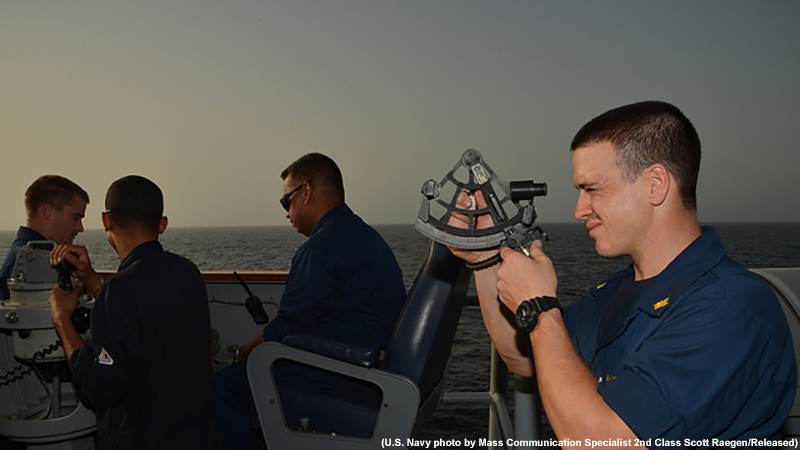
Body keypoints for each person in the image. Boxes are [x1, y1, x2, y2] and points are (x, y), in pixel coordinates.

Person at [449, 101, 795, 446]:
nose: (579, 210)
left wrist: (540, 309)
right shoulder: (617, 291)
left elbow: (606, 441)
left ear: (655, 184)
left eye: (592, 189)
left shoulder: (731, 309)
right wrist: (484, 258)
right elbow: (526, 359)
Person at [212, 153, 407, 449]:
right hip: (370, 364)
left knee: (219, 389)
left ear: (306, 191)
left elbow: (282, 331)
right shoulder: (364, 236)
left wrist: (240, 354)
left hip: (340, 371)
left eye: (286, 202)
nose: (286, 214)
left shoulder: (320, 249)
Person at [48, 175, 220, 450]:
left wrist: (61, 319)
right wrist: (91, 279)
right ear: (162, 224)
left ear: (106, 221)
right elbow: (143, 311)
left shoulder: (121, 290)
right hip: (196, 437)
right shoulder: (187, 272)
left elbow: (97, 388)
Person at [1, 175, 89, 300]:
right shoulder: (38, 262)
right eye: (75, 218)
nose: (80, 228)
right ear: (47, 211)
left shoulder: (20, 253)